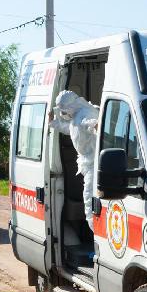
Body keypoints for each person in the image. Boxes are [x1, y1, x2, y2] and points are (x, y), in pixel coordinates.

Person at [49, 90, 100, 231]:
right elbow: (71, 129)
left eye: (63, 111)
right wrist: (53, 123)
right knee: (90, 202)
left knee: (89, 202)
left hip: (94, 165)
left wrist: (95, 125)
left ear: (69, 107)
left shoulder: (85, 115)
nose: (64, 114)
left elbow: (89, 124)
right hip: (89, 164)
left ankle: (97, 238)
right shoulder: (77, 116)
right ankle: (96, 235)